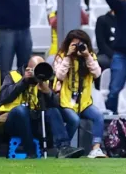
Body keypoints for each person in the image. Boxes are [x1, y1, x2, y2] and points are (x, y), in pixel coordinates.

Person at [0, 56, 71, 158]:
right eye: (36, 70)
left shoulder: (44, 80)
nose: (38, 73)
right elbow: (3, 97)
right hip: (10, 119)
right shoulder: (13, 76)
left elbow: (57, 105)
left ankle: (64, 148)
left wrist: (48, 92)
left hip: (33, 119)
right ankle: (30, 150)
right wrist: (24, 81)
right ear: (28, 68)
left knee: (53, 111)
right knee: (21, 110)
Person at [51, 29, 107, 158]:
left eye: (80, 44)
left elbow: (97, 74)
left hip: (84, 101)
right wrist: (68, 56)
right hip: (66, 99)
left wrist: (87, 56)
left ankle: (96, 148)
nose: (77, 48)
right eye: (74, 45)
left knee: (98, 116)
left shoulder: (90, 56)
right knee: (74, 120)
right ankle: (64, 148)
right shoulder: (61, 56)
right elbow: (59, 74)